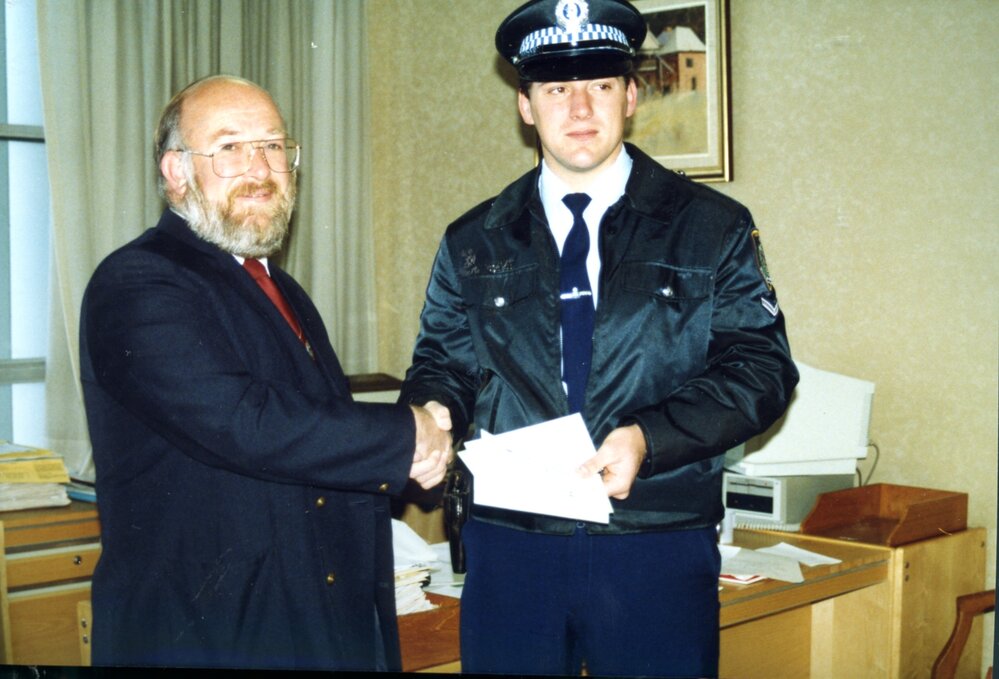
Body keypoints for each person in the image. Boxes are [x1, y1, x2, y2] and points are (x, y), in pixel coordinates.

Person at [399, 0, 798, 676]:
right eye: (556, 89)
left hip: (655, 540)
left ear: (631, 96)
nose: (579, 108)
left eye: (600, 86)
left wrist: (649, 435)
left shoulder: (711, 226)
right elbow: (444, 360)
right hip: (512, 542)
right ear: (524, 105)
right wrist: (434, 411)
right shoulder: (474, 239)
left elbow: (761, 368)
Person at [79, 75, 451, 671]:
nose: (260, 167)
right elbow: (241, 421)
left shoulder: (281, 288)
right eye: (229, 148)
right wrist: (407, 436)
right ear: (176, 172)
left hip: (314, 623)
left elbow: (313, 444)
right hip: (203, 634)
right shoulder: (137, 282)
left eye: (274, 146)